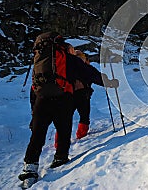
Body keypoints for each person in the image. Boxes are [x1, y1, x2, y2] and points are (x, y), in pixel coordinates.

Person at [18, 32, 119, 187]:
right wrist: (110, 82)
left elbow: (34, 87)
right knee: (64, 130)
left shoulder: (40, 63)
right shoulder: (69, 60)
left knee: (37, 135)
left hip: (41, 100)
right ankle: (60, 158)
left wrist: (34, 114)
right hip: (63, 99)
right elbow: (91, 74)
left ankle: (29, 168)